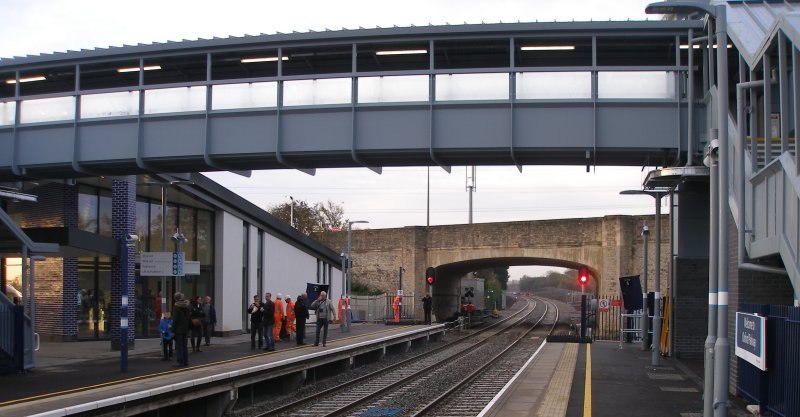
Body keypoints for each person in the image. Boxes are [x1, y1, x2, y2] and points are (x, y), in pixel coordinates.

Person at [171, 292, 190, 367]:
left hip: (178, 329)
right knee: (184, 346)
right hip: (185, 329)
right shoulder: (187, 306)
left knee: (179, 346)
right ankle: (185, 361)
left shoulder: (176, 307)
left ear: (175, 298)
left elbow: (175, 320)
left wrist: (172, 330)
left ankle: (180, 362)